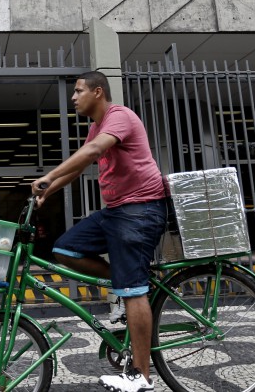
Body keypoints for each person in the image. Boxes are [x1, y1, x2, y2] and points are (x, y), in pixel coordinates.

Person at [32, 71, 167, 392]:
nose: (74, 97)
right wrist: (46, 192)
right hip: (116, 211)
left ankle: (141, 376)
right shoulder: (96, 127)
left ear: (98, 91)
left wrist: (48, 176)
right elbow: (79, 167)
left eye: (78, 91)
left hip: (141, 209)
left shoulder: (119, 117)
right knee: (65, 249)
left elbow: (93, 152)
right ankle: (127, 282)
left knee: (133, 290)